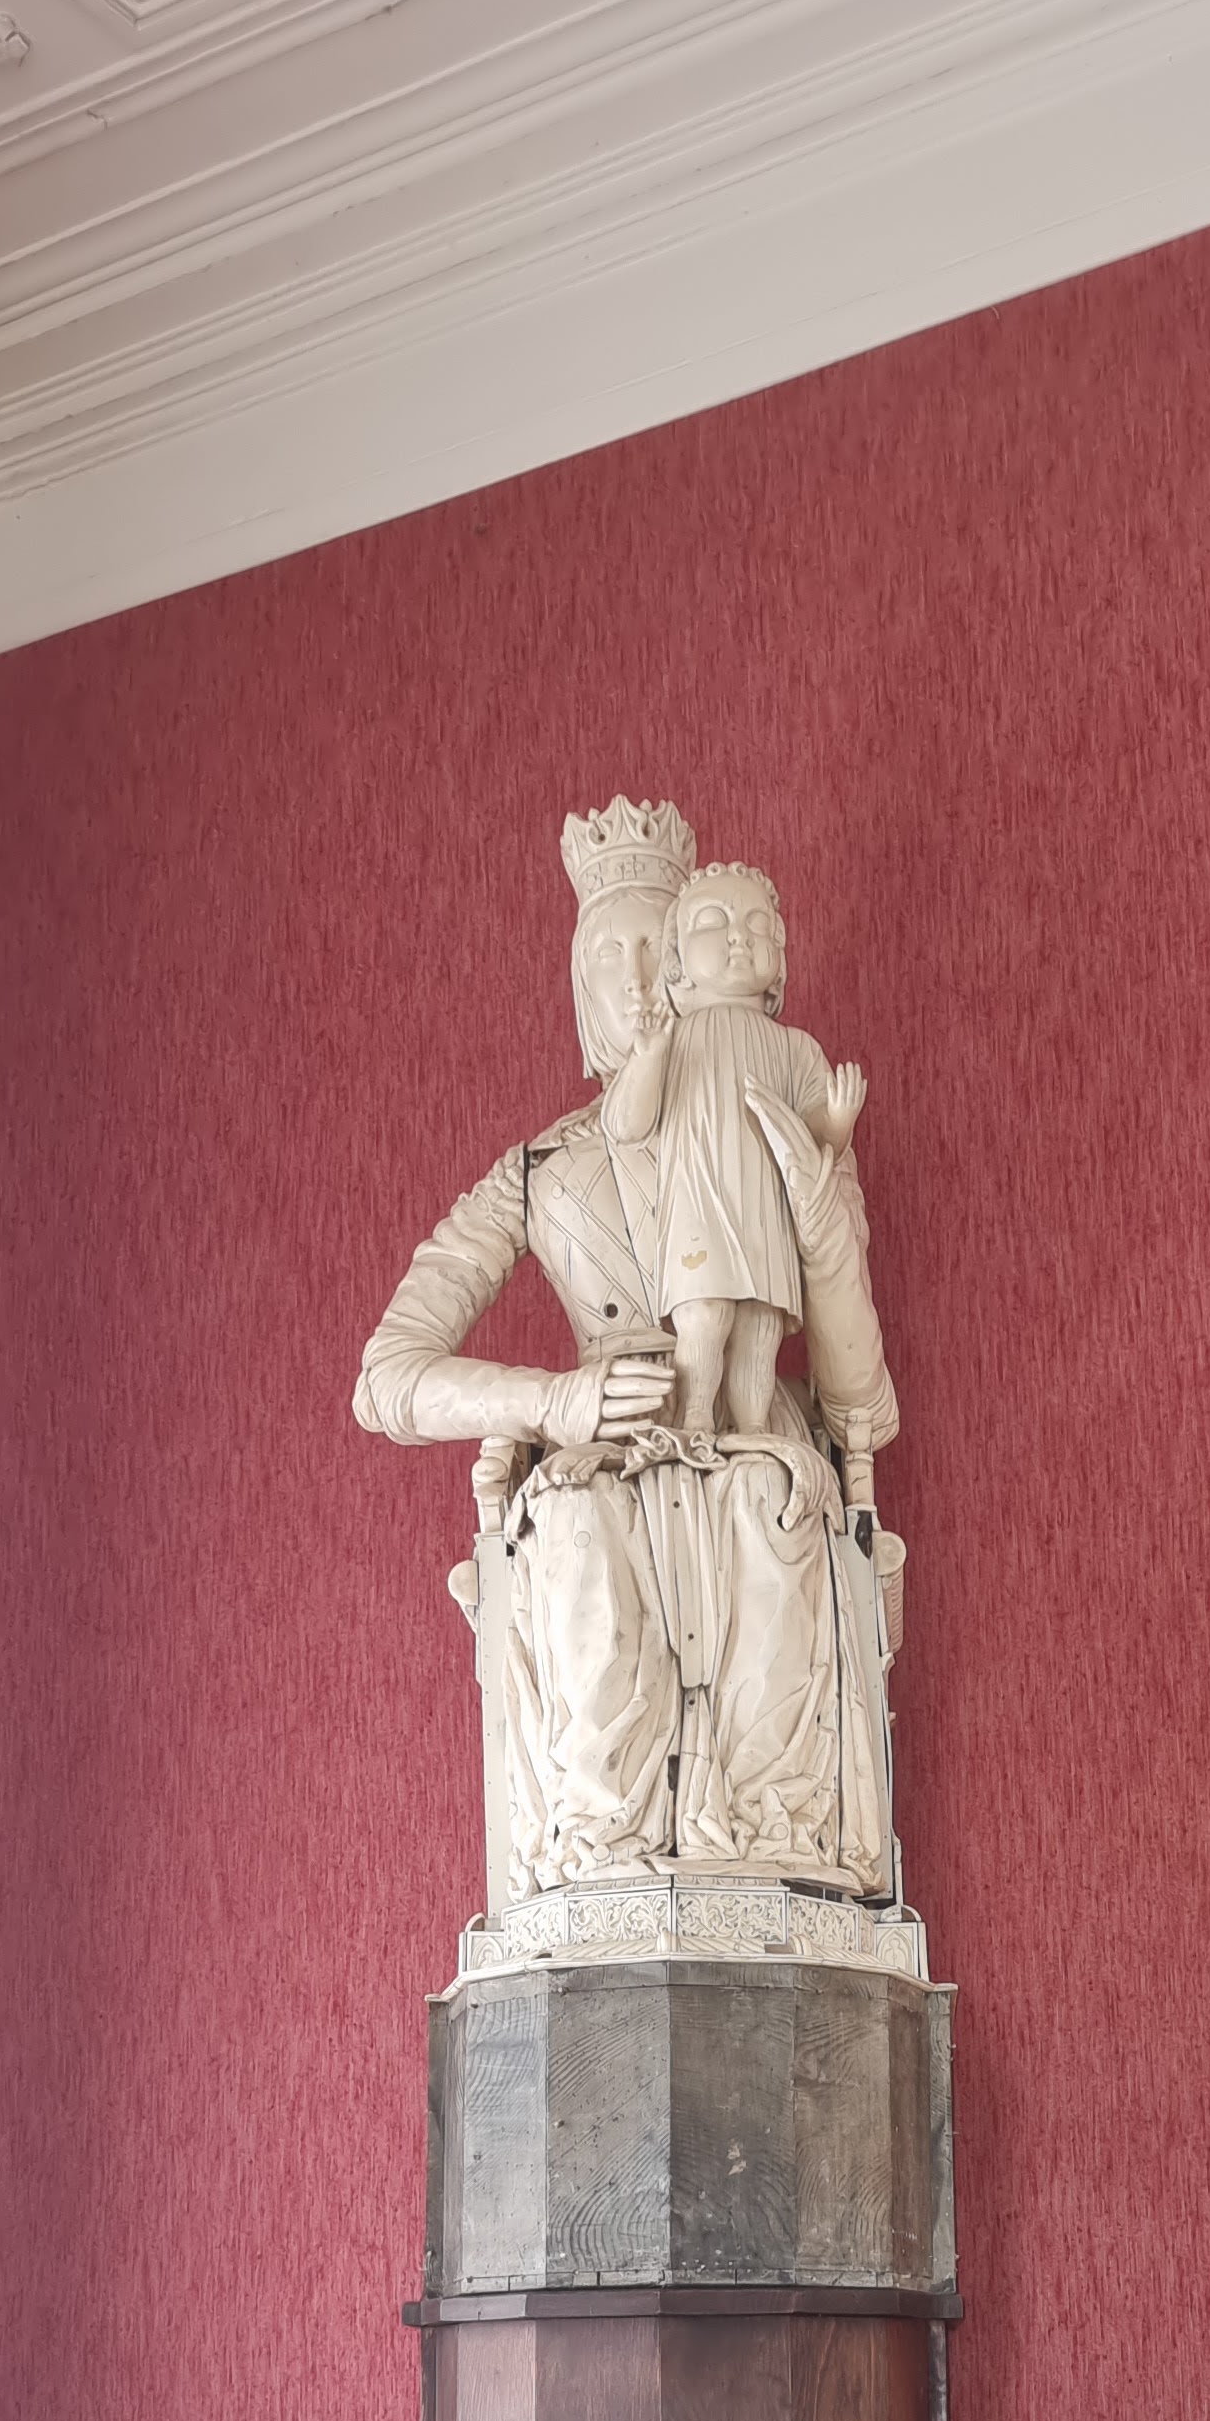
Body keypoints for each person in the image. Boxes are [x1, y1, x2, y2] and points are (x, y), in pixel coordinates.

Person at [353, 800, 901, 1904]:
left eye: (663, 946)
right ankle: (602, 1852)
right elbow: (387, 1381)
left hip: (750, 1443)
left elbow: (855, 1392)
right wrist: (556, 1402)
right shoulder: (535, 1174)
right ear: (578, 983)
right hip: (602, 1449)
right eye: (614, 952)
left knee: (767, 1496)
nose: (643, 977)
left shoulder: (777, 1117)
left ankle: (772, 1843)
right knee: (577, 1519)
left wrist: (816, 1198)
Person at [600, 861, 862, 1450]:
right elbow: (624, 1126)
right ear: (677, 956)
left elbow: (815, 1141)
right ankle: (695, 1417)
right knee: (704, 1315)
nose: (740, 937)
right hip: (697, 1201)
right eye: (715, 922)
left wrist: (837, 1121)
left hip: (765, 1209)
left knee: (760, 1327)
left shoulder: (794, 1047)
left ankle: (754, 1431)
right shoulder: (676, 1038)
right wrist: (647, 1057)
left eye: (757, 924)